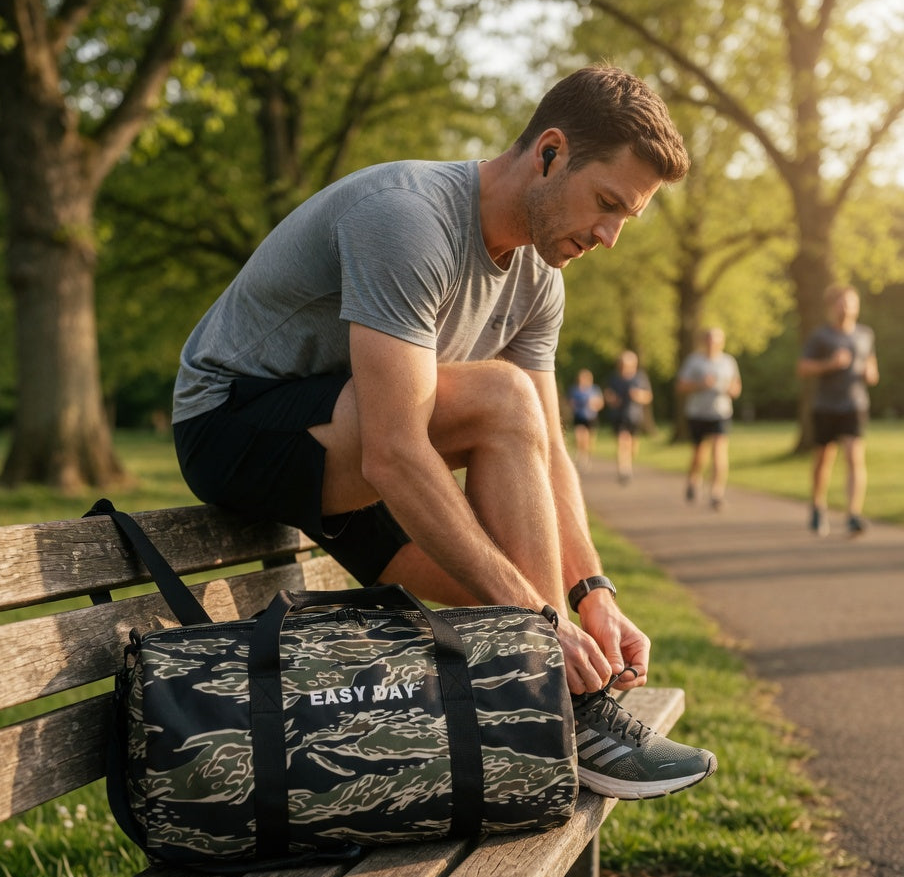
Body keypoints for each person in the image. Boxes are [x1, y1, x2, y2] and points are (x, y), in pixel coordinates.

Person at [172, 65, 717, 801]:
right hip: (231, 424)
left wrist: (592, 595)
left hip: (341, 457)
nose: (610, 236)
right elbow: (397, 452)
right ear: (549, 152)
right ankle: (567, 710)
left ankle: (541, 718)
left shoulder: (538, 282)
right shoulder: (407, 217)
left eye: (627, 218)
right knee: (501, 400)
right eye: (606, 204)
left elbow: (549, 451)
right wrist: (539, 624)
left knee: (509, 570)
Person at [796, 284, 879, 536]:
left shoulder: (865, 334)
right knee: (824, 459)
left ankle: (853, 514)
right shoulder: (821, 336)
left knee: (854, 457)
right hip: (825, 406)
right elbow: (803, 368)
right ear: (831, 307)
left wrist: (869, 373)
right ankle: (818, 507)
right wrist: (830, 365)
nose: (846, 307)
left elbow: (873, 370)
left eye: (851, 302)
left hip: (854, 405)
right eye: (841, 303)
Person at [676, 327, 742, 510]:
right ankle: (693, 480)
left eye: (716, 340)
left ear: (722, 342)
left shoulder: (728, 361)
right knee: (699, 454)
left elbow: (736, 388)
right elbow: (681, 386)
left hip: (720, 413)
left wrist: (730, 390)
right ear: (704, 341)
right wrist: (700, 385)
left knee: (719, 452)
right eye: (709, 339)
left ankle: (716, 493)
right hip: (697, 413)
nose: (712, 343)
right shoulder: (694, 361)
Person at [604, 350, 653, 484]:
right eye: (622, 365)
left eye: (628, 365)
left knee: (633, 445)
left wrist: (638, 395)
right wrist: (611, 399)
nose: (624, 368)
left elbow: (648, 397)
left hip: (634, 416)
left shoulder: (640, 378)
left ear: (634, 365)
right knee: (622, 440)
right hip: (618, 415)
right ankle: (624, 469)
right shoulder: (614, 378)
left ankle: (629, 463)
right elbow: (607, 394)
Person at [566, 368, 605, 471]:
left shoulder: (594, 390)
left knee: (589, 440)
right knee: (579, 437)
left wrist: (594, 404)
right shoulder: (574, 390)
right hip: (579, 417)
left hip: (591, 418)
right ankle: (581, 456)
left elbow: (600, 403)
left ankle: (586, 456)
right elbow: (570, 402)